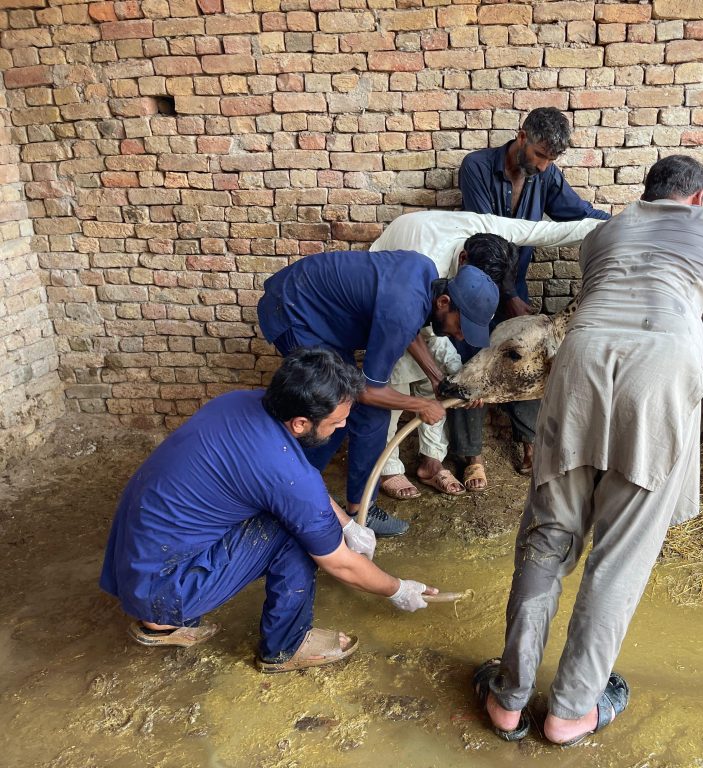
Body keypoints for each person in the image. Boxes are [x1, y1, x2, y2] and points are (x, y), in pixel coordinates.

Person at [474, 155, 703, 745]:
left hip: (582, 362)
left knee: (548, 539)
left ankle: (508, 698)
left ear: (645, 194)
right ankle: (570, 710)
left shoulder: (604, 232)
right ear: (697, 198)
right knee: (619, 556)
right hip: (658, 369)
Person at [100, 348, 440, 673]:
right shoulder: (284, 473)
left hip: (136, 560)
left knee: (297, 514)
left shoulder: (237, 402)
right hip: (165, 585)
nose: (341, 428)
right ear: (300, 423)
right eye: (336, 423)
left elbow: (294, 482)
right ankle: (287, 646)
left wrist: (348, 524)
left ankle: (158, 624)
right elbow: (339, 562)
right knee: (295, 533)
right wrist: (398, 588)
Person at [257, 250, 499, 537]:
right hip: (295, 312)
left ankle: (343, 502)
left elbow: (409, 333)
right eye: (461, 326)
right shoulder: (404, 309)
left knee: (359, 414)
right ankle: (290, 491)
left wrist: (437, 379)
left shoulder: (425, 275)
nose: (460, 336)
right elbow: (369, 391)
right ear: (444, 302)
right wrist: (422, 405)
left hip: (319, 313)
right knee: (336, 407)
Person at [369, 210, 605, 498]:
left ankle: (431, 461)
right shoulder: (428, 265)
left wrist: (611, 225)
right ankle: (388, 467)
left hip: (431, 280)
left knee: (436, 385)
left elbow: (544, 232)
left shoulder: (490, 232)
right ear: (464, 262)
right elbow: (417, 334)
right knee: (397, 378)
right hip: (390, 285)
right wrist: (445, 376)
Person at [457, 107, 612, 482]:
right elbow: (487, 236)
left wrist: (623, 227)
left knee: (528, 356)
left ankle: (529, 441)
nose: (544, 166)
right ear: (522, 136)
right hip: (477, 282)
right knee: (471, 356)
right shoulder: (476, 167)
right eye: (541, 155)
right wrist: (507, 294)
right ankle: (471, 454)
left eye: (551, 159)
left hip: (516, 286)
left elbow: (581, 215)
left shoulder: (548, 177)